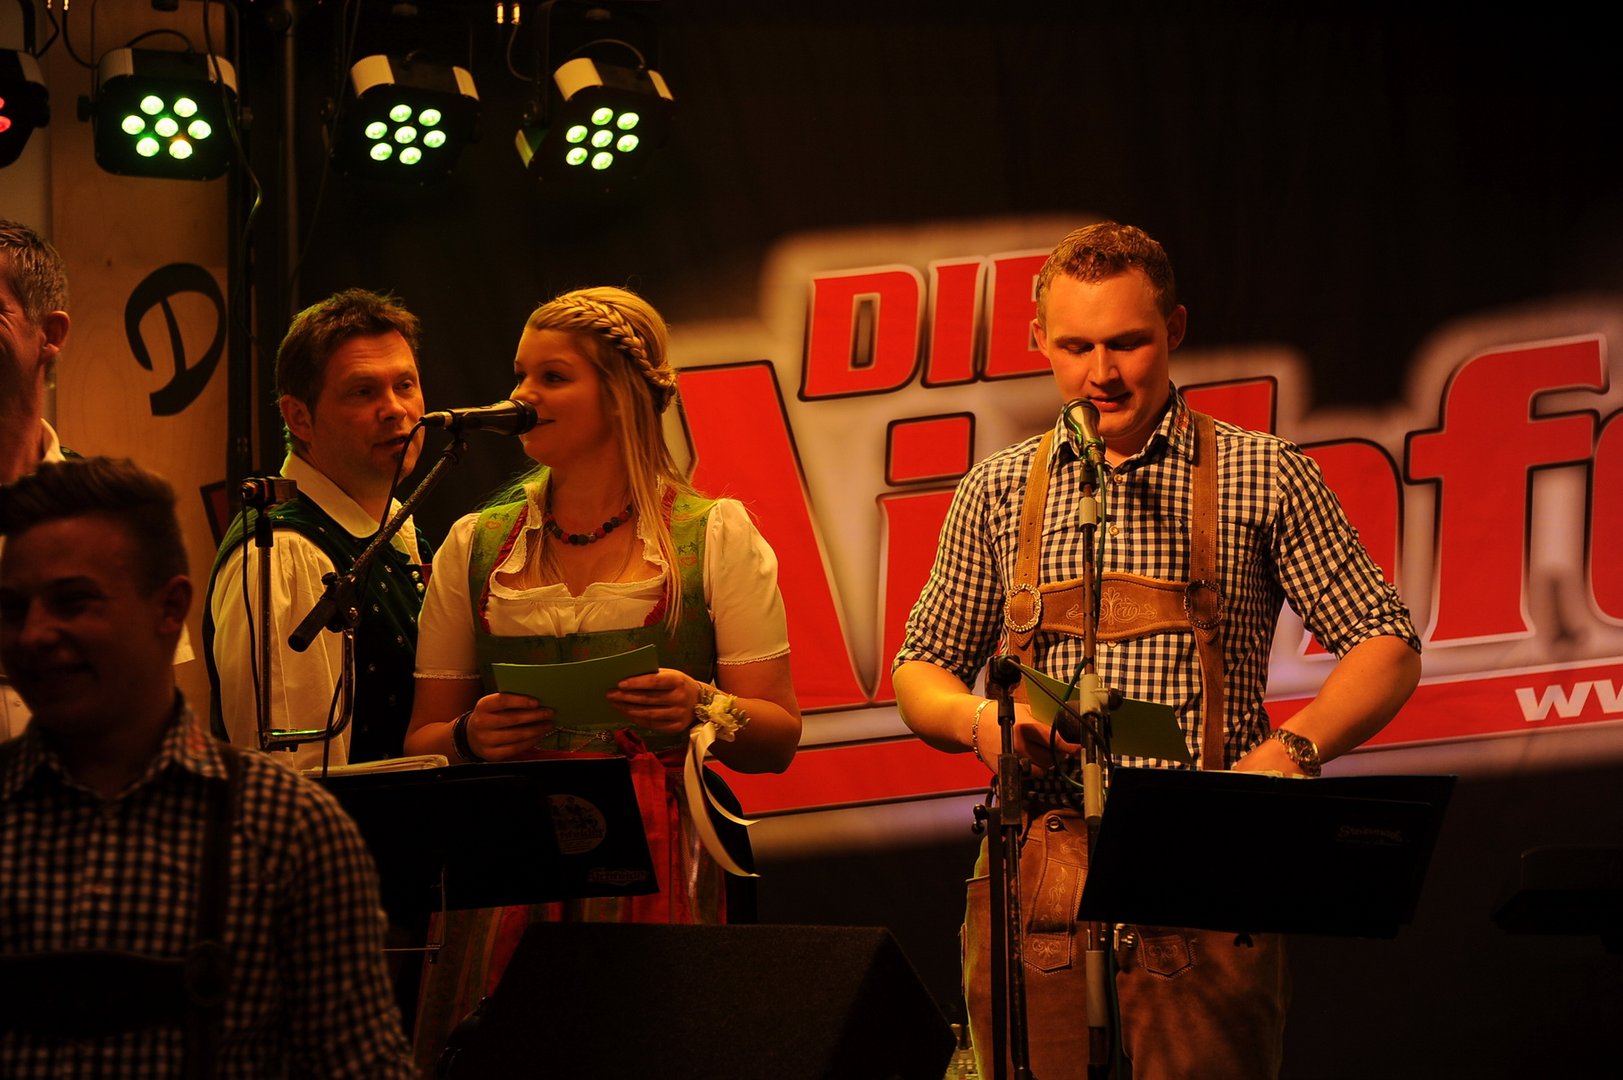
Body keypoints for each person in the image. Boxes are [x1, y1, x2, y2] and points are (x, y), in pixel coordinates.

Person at [893, 222, 1422, 1080]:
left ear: (1174, 329)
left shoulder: (1263, 472)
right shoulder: (995, 488)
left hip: (1207, 863)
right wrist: (976, 722)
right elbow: (919, 665)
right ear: (1038, 341)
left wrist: (1290, 751)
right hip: (1039, 869)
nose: (1100, 373)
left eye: (1126, 343)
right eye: (1075, 347)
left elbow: (1385, 641)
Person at [403, 286, 802, 1065]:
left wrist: (702, 706)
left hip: (656, 860)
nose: (522, 395)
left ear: (620, 395)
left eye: (552, 377)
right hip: (509, 862)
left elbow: (778, 736)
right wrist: (469, 737)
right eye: (520, 374)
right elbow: (422, 741)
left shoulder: (713, 535)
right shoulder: (475, 543)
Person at [0, 456, 415, 1077]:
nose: (34, 635)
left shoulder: (290, 831)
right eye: (12, 609)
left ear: (170, 609)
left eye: (73, 601)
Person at [203, 288, 432, 770]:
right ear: (299, 417)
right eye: (363, 391)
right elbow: (294, 780)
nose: (395, 409)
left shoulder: (392, 523)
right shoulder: (284, 553)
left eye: (405, 385)